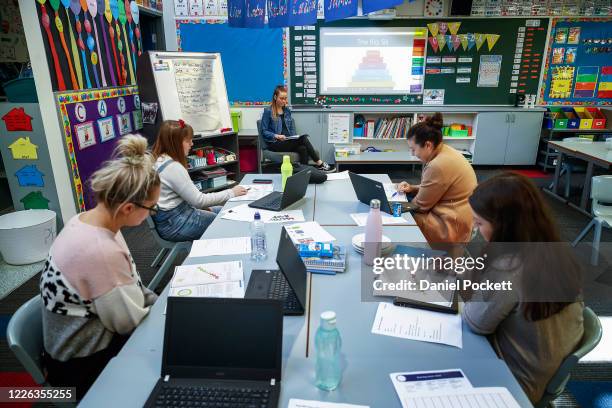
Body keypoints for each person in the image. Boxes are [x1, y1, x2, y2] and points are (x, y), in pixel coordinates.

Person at [40, 134, 160, 399]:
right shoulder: (100, 251)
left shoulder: (88, 220)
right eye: (152, 208)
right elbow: (129, 324)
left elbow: (134, 284)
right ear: (129, 208)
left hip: (73, 346)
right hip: (82, 367)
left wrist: (161, 303)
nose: (153, 213)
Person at [463, 172, 584, 404]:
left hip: (513, 384)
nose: (476, 230)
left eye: (479, 223)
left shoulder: (509, 267)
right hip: (541, 369)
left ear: (504, 226)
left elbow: (475, 322)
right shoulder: (556, 251)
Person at [151, 120, 247, 241]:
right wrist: (232, 192)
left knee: (226, 211)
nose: (192, 144)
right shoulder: (173, 167)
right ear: (175, 143)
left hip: (174, 217)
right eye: (187, 141)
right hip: (176, 223)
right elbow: (199, 201)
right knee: (226, 221)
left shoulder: (160, 160)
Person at [396, 112, 477, 243]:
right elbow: (439, 187)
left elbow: (420, 206)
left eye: (413, 149)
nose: (412, 154)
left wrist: (393, 207)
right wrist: (412, 188)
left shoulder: (438, 165)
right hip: (460, 214)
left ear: (428, 145)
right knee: (405, 199)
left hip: (451, 224)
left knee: (398, 215)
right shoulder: (445, 151)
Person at [261, 85, 334, 172]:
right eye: (281, 98)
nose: (284, 101)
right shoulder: (268, 111)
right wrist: (276, 136)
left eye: (285, 98)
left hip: (287, 141)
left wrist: (294, 137)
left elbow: (291, 128)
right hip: (275, 143)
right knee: (303, 139)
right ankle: (319, 163)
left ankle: (306, 173)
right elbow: (264, 131)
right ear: (275, 97)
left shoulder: (287, 111)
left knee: (303, 148)